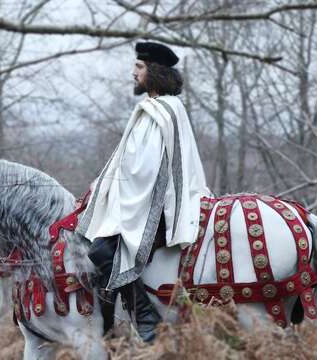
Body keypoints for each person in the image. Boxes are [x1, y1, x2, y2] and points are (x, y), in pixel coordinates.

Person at [75, 41, 211, 342]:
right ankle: (112, 328)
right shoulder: (155, 107)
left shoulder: (162, 109)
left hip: (158, 204)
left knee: (100, 251)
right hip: (143, 198)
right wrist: (103, 186)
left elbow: (149, 169)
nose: (133, 73)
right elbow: (129, 162)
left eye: (139, 67)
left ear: (155, 71)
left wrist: (116, 193)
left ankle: (146, 319)